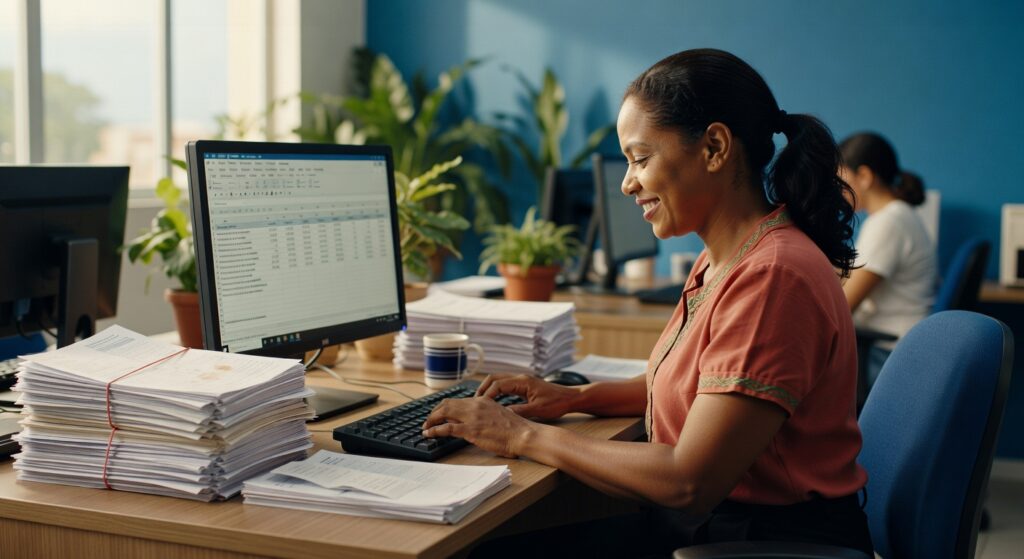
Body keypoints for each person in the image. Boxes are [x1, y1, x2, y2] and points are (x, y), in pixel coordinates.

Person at [423, 48, 872, 557]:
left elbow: (689, 479)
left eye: (640, 158)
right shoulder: (728, 256)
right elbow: (697, 391)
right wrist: (574, 398)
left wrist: (520, 436)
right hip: (714, 526)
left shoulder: (771, 277)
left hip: (758, 540)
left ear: (715, 147)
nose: (626, 182)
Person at [839, 132, 937, 385]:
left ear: (864, 176)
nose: (838, 189)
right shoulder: (897, 215)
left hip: (890, 350)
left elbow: (843, 305)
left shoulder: (889, 223)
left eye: (841, 179)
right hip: (899, 344)